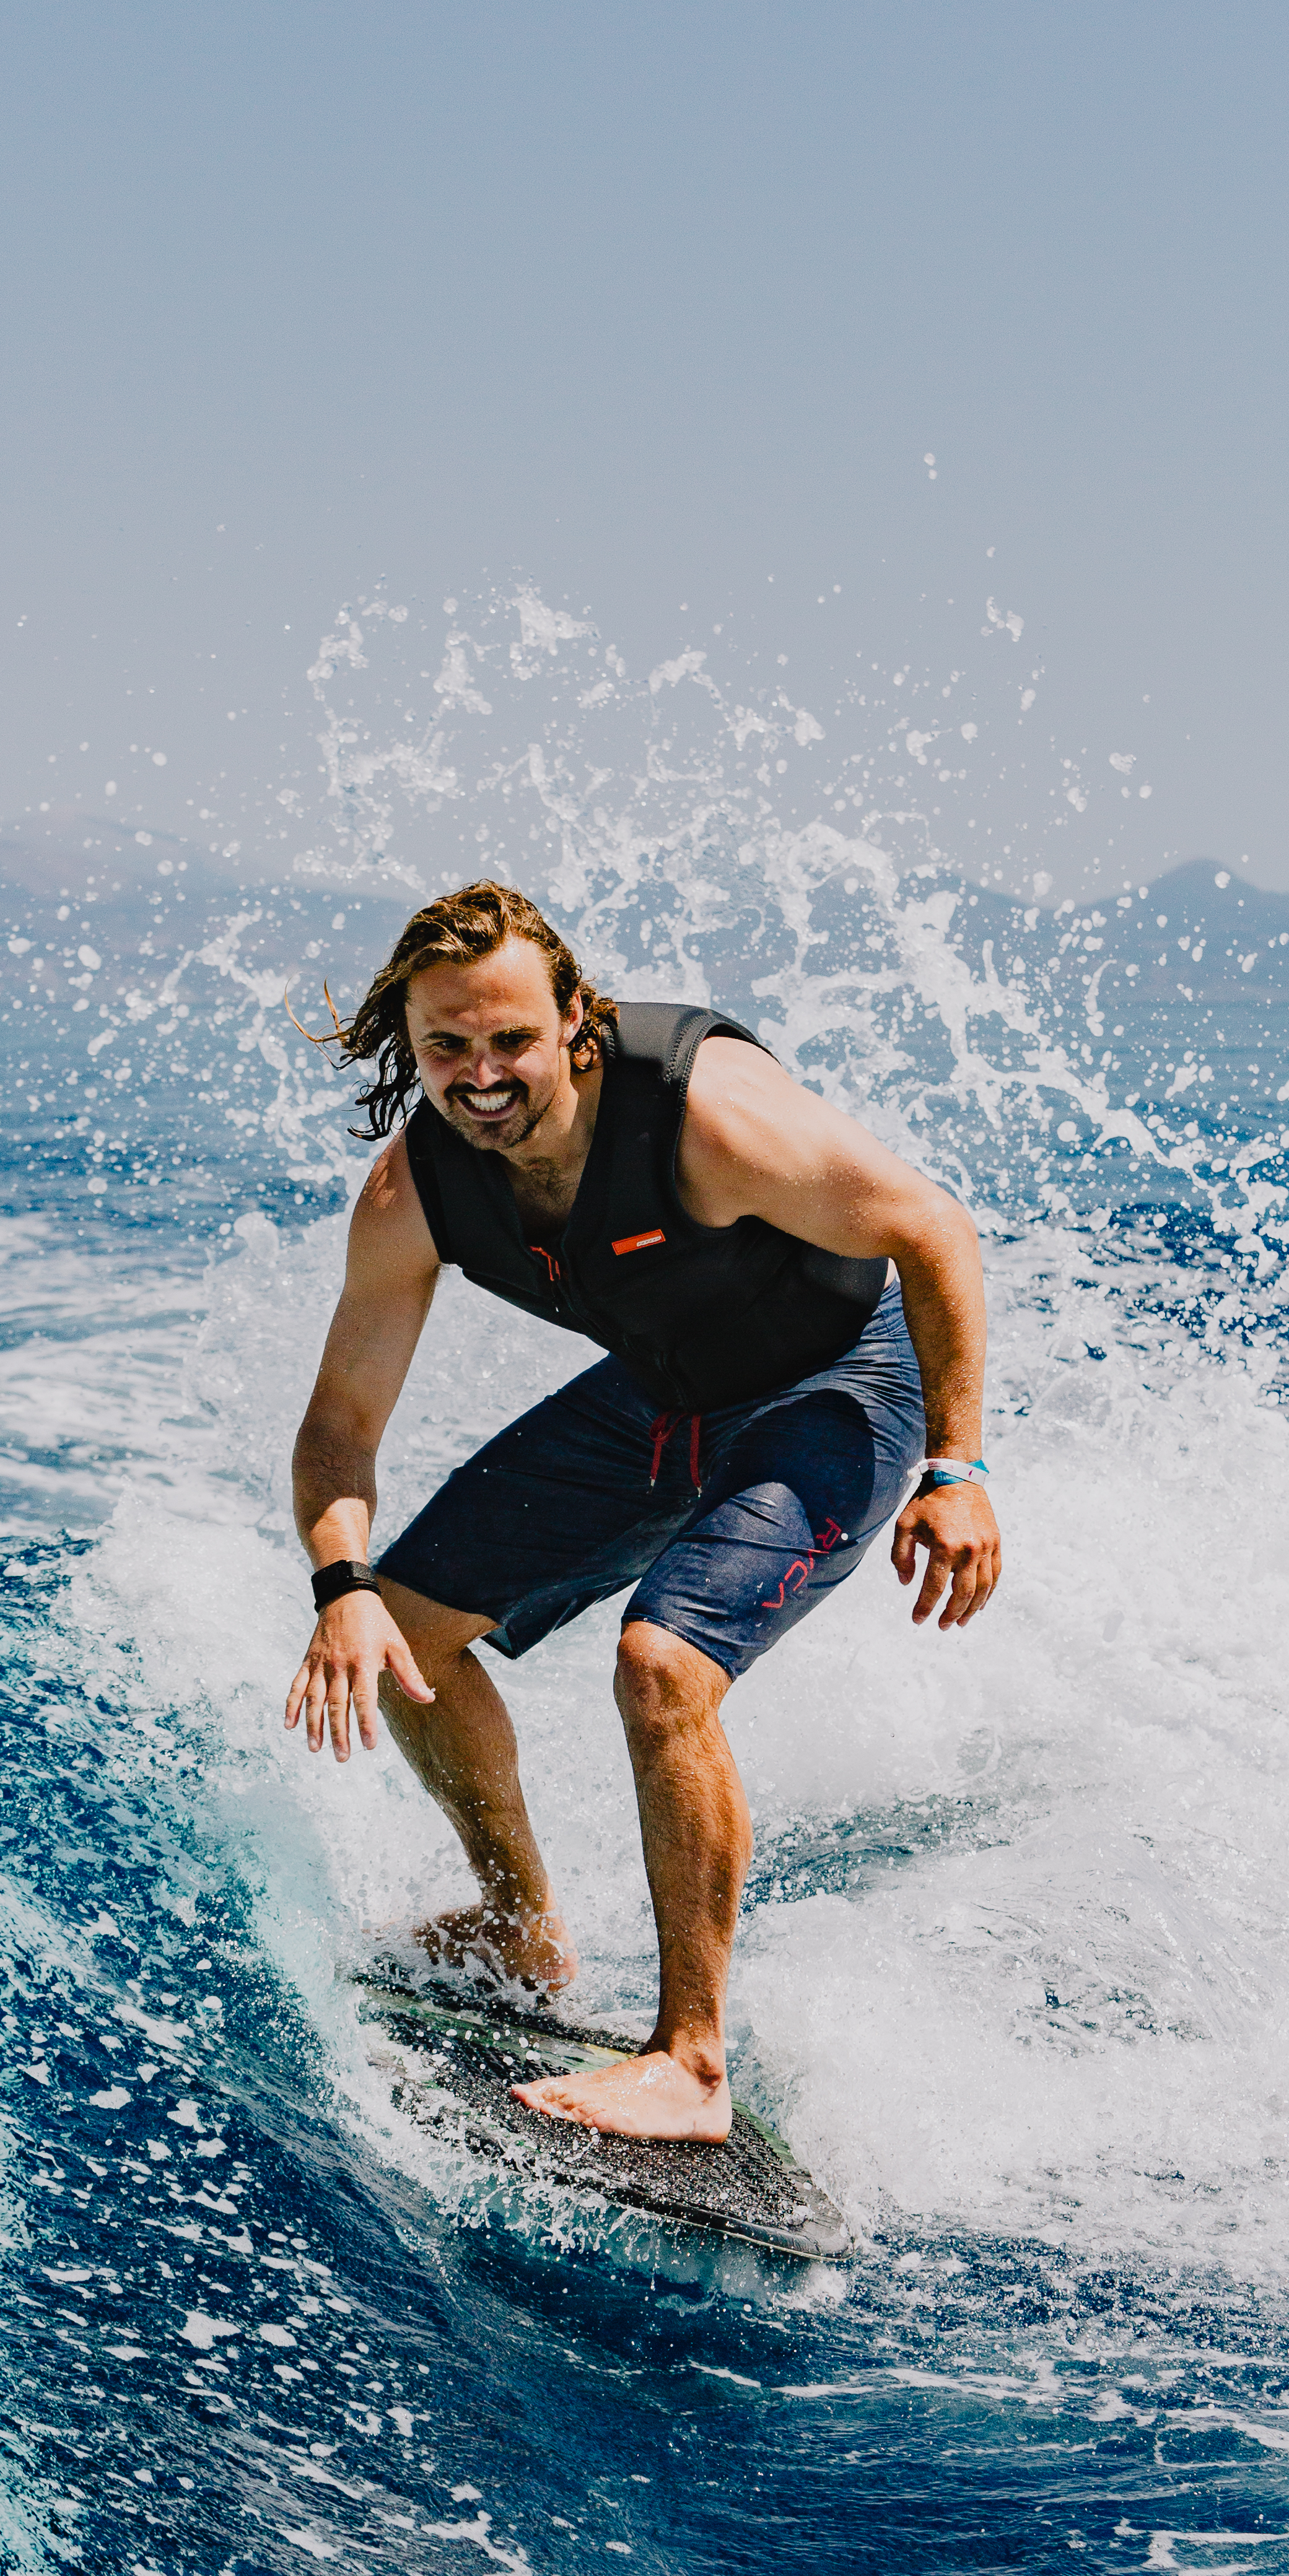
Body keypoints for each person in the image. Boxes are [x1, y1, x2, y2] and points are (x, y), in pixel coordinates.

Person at [283, 881, 1002, 2143]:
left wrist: (957, 1468)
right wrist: (339, 1589)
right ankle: (521, 1924)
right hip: (670, 1397)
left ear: (576, 1018)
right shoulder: (420, 1193)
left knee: (662, 1667)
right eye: (446, 1047)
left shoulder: (706, 1121)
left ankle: (693, 2061)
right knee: (404, 1629)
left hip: (838, 1386)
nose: (482, 1074)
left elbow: (930, 1228)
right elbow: (340, 1426)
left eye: (510, 1039)